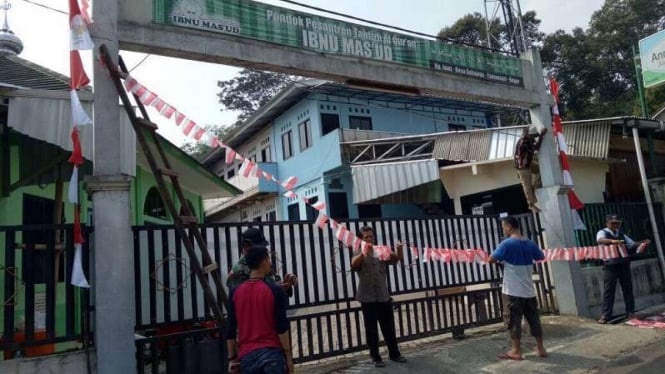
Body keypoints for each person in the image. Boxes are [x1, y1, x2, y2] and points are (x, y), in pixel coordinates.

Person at [226, 246, 294, 374]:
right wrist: (288, 358)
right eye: (268, 259)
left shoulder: (235, 292)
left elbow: (230, 329)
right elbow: (281, 327)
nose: (270, 263)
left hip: (247, 357)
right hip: (271, 354)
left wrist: (231, 359)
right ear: (263, 261)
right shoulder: (274, 290)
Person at [489, 216, 547, 361]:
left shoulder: (506, 244)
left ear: (509, 227)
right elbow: (540, 257)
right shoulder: (530, 243)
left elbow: (491, 259)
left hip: (512, 291)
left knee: (513, 319)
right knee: (534, 319)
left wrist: (503, 258)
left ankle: (516, 350)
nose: (504, 229)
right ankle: (540, 348)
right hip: (529, 290)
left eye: (504, 227)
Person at [350, 226, 407, 368]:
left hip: (383, 295)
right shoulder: (358, 251)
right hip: (367, 298)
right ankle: (375, 357)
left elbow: (396, 259)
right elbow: (353, 263)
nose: (369, 239)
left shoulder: (380, 250)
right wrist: (364, 252)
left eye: (371, 236)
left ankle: (394, 354)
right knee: (371, 330)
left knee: (389, 327)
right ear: (361, 240)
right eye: (366, 237)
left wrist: (399, 249)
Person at [596, 214, 650, 324]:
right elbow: (600, 240)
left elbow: (632, 244)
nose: (615, 225)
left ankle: (630, 313)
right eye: (613, 223)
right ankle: (606, 315)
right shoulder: (602, 232)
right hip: (610, 265)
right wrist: (613, 241)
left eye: (617, 223)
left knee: (628, 289)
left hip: (623, 264)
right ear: (607, 223)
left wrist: (643, 242)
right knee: (609, 291)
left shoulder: (621, 234)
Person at [227, 227, 297, 296]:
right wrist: (275, 290)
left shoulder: (263, 263)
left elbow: (273, 284)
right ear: (246, 247)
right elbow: (241, 300)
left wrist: (286, 285)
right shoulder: (238, 271)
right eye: (259, 246)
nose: (263, 250)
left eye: (263, 246)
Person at [514, 125, 547, 213]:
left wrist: (539, 136)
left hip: (529, 162)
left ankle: (536, 185)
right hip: (523, 167)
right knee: (527, 186)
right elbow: (537, 148)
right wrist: (541, 137)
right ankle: (531, 205)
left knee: (541, 169)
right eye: (532, 136)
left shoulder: (528, 139)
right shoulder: (523, 143)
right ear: (528, 134)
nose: (533, 137)